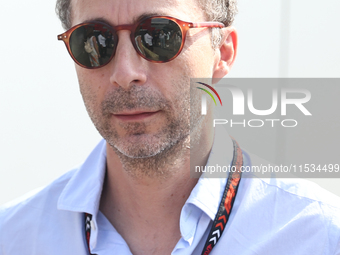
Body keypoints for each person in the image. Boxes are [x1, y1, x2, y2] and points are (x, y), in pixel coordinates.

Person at [0, 0, 339, 255]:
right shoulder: (13, 238)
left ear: (222, 52)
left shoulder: (320, 235)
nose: (125, 72)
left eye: (158, 36)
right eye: (95, 41)